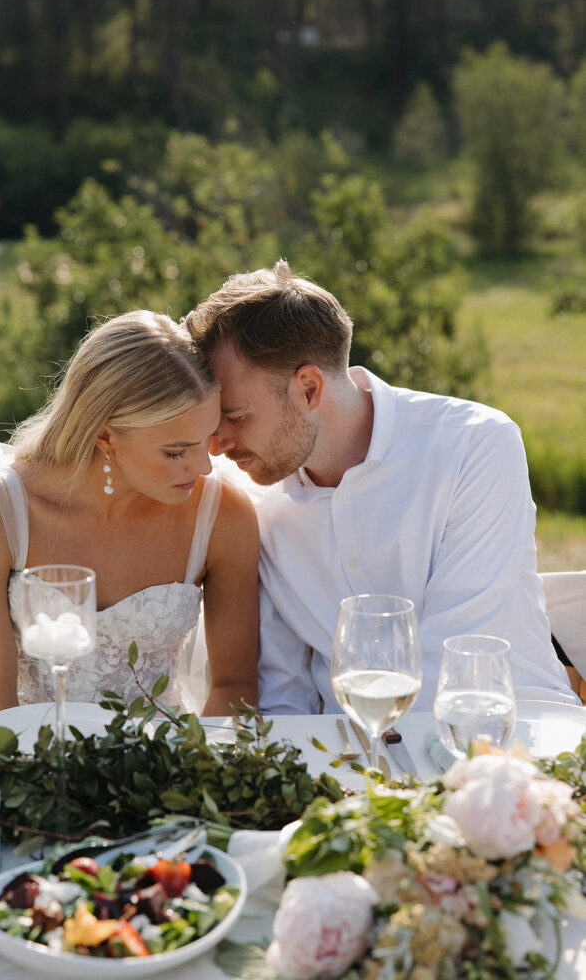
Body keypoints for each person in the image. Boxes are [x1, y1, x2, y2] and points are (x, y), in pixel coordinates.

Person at [184, 259, 578, 713]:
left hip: (507, 733)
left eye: (234, 417)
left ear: (309, 389)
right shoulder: (250, 494)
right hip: (344, 756)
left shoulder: (474, 444)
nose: (215, 446)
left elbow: (457, 655)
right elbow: (280, 690)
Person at [0, 311, 259, 716]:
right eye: (176, 451)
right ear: (105, 435)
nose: (203, 467)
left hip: (165, 762)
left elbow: (234, 685)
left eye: (209, 438)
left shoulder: (223, 515)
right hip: (22, 756)